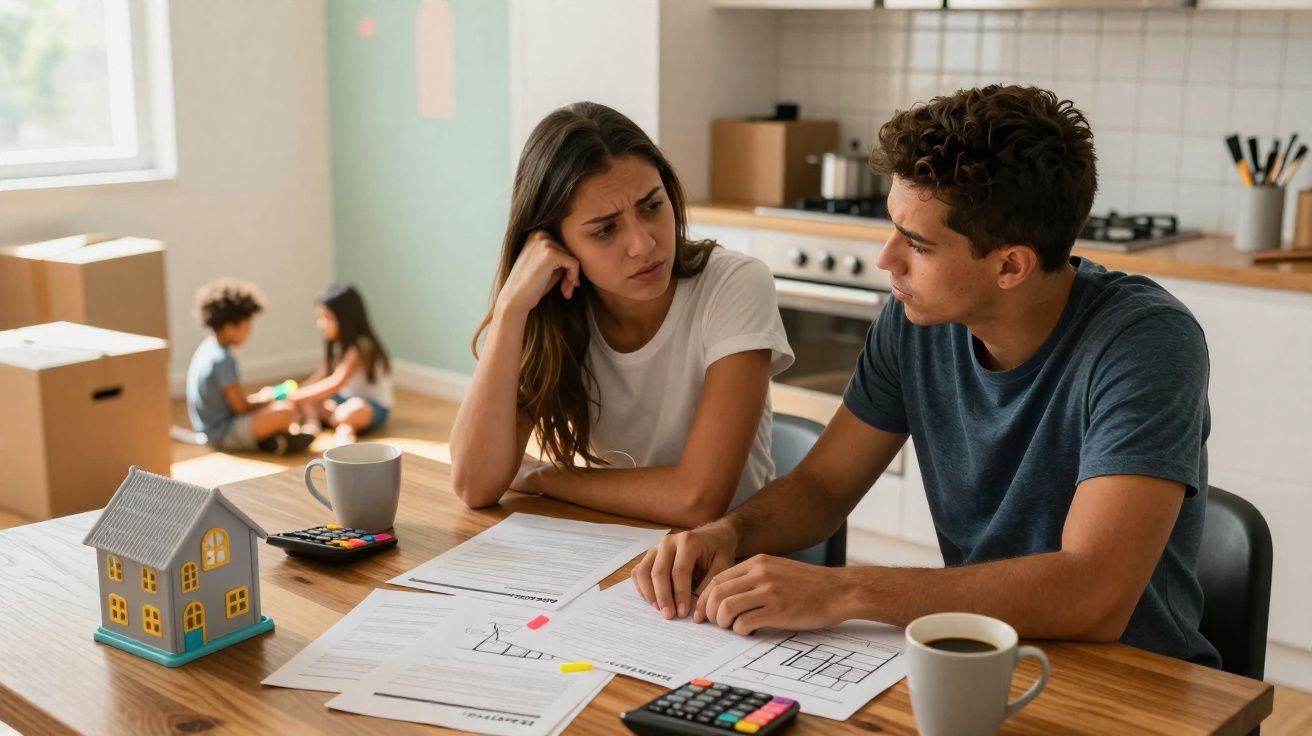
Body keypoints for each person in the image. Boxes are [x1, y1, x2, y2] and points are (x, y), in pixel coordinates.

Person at [632, 85, 1219, 666]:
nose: (886, 259)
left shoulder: (1146, 342)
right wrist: (730, 532)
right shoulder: (916, 320)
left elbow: (1094, 593)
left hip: (1133, 677)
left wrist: (847, 589)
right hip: (975, 652)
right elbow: (824, 486)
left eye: (917, 244)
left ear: (1010, 265)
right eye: (893, 227)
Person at [449, 101, 793, 528]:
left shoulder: (735, 284)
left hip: (731, 559)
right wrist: (509, 309)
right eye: (605, 229)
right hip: (619, 548)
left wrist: (544, 476)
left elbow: (697, 500)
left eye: (652, 207)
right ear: (554, 243)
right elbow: (474, 485)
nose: (643, 244)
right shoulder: (553, 312)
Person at [185, 278, 314, 454]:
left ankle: (273, 441)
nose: (249, 332)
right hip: (221, 434)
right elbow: (240, 407)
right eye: (247, 326)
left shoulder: (207, 347)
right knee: (286, 411)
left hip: (208, 429)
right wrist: (266, 398)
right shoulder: (223, 359)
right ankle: (269, 441)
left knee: (281, 410)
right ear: (229, 327)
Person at [291, 284, 395, 446]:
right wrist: (299, 392)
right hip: (342, 400)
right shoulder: (337, 344)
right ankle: (312, 426)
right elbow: (322, 375)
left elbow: (336, 383)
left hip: (371, 407)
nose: (321, 324)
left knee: (354, 408)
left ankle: (345, 428)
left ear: (346, 319)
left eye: (327, 318)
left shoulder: (361, 347)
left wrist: (296, 397)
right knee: (310, 399)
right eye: (320, 318)